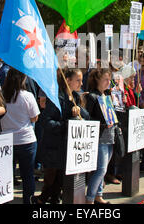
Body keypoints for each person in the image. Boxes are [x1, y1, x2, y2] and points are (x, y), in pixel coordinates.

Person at [33, 68, 89, 204]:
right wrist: (67, 124)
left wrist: (79, 110)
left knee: (59, 180)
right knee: (51, 179)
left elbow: (86, 116)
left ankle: (48, 199)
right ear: (68, 81)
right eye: (78, 80)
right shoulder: (56, 98)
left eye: (81, 80)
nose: (81, 84)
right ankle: (43, 199)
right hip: (54, 146)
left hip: (67, 147)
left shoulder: (76, 97)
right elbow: (47, 122)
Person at [1, 68, 40, 204]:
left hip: (6, 139)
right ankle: (28, 201)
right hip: (26, 140)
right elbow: (35, 117)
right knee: (27, 175)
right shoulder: (27, 96)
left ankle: (5, 199)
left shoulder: (2, 95)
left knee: (6, 175)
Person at [84, 68, 115, 204]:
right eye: (106, 80)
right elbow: (88, 117)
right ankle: (90, 198)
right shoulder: (92, 96)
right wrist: (103, 124)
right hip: (99, 137)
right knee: (100, 169)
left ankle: (98, 195)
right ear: (97, 80)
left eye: (109, 79)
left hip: (109, 135)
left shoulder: (106, 96)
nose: (108, 82)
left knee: (104, 168)